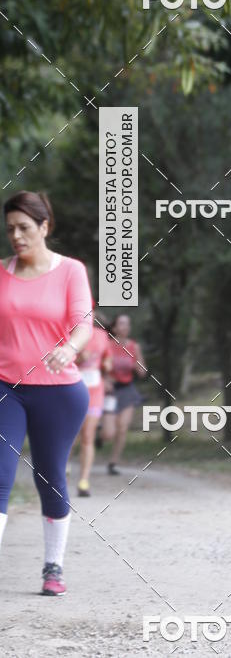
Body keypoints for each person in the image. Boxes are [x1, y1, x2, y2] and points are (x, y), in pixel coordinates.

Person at [0, 190, 92, 596]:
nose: (16, 236)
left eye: (24, 227)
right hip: (6, 387)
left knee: (49, 476)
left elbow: (84, 324)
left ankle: (53, 566)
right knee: (0, 474)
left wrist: (69, 348)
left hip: (59, 392)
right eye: (10, 229)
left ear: (44, 227)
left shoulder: (71, 270)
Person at [102, 314, 146, 475]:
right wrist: (104, 380)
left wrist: (137, 367)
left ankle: (113, 463)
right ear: (114, 328)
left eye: (127, 324)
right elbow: (98, 368)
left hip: (127, 390)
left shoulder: (134, 346)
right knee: (109, 433)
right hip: (110, 392)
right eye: (121, 323)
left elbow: (142, 372)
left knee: (122, 428)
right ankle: (100, 436)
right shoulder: (107, 345)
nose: (125, 327)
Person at [74, 309, 112, 496]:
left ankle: (84, 481)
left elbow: (107, 358)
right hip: (73, 388)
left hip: (95, 390)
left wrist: (107, 365)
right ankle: (61, 467)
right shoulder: (71, 331)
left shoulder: (102, 335)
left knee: (88, 435)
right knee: (71, 435)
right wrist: (78, 359)